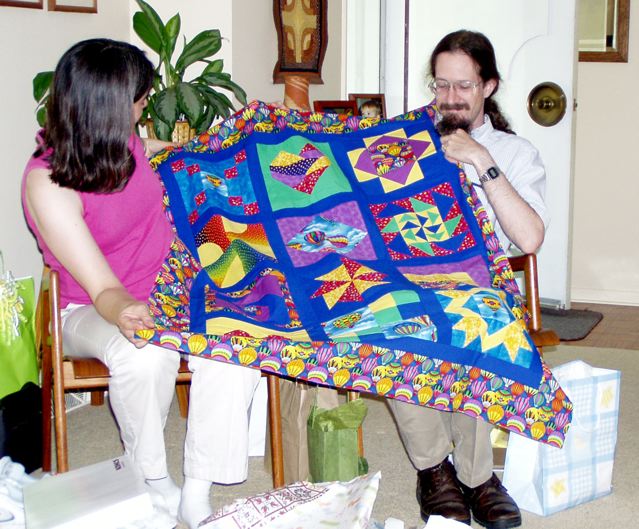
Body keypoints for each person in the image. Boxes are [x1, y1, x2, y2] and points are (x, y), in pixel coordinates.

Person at [21, 38, 261, 529]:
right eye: (139, 98)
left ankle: (198, 488)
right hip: (87, 306)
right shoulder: (47, 183)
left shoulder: (124, 140)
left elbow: (149, 148)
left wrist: (194, 154)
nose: (145, 105)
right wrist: (131, 313)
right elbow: (104, 289)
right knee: (145, 353)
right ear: (108, 107)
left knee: (237, 341)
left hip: (168, 286)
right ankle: (152, 480)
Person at [387, 30, 548, 529]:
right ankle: (434, 469)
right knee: (393, 320)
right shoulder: (403, 143)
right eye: (441, 86)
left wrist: (482, 160)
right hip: (410, 278)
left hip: (482, 287)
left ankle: (478, 477)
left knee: (482, 318)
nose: (450, 98)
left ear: (489, 87)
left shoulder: (515, 153)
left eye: (464, 86)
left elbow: (529, 239)